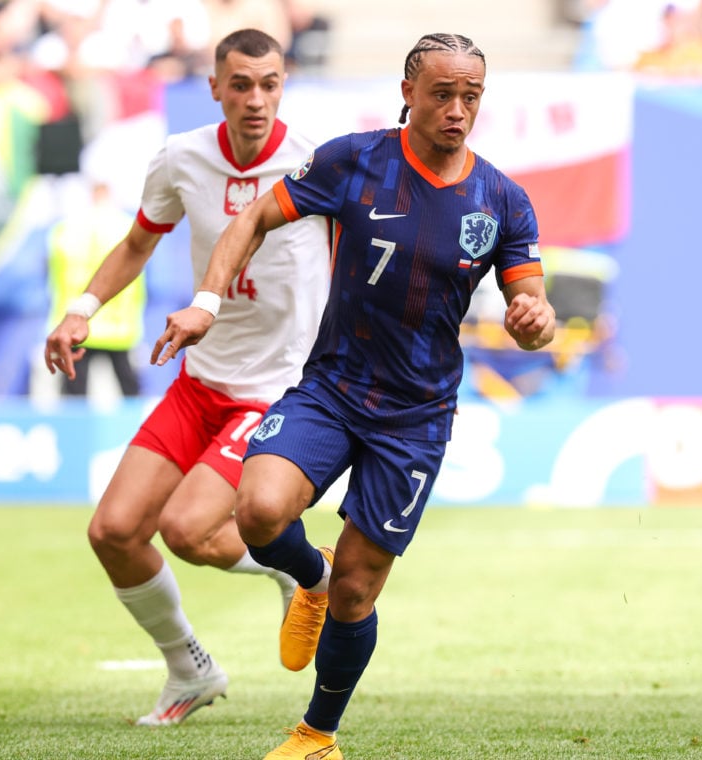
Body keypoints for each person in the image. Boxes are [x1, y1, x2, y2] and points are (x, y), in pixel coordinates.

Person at [152, 32, 556, 759]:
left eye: (471, 97)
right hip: (332, 387)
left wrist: (536, 320)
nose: (457, 110)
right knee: (259, 509)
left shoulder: (502, 200)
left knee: (359, 591)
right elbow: (253, 218)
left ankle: (317, 734)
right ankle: (306, 578)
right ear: (408, 93)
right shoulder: (352, 160)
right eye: (442, 94)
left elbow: (534, 312)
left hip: (415, 418)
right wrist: (208, 301)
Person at [43, 28, 330, 727]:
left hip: (277, 388)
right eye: (241, 84)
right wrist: (81, 309)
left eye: (269, 84)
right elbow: (140, 240)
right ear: (215, 88)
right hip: (200, 381)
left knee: (189, 530)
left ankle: (303, 567)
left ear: (283, 84)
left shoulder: (315, 164)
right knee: (113, 531)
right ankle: (188, 669)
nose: (256, 99)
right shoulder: (182, 158)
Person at [45, 179, 144, 398]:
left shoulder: (65, 228)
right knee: (130, 394)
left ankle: (72, 433)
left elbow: (51, 271)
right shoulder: (128, 225)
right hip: (119, 327)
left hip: (75, 323)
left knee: (74, 396)